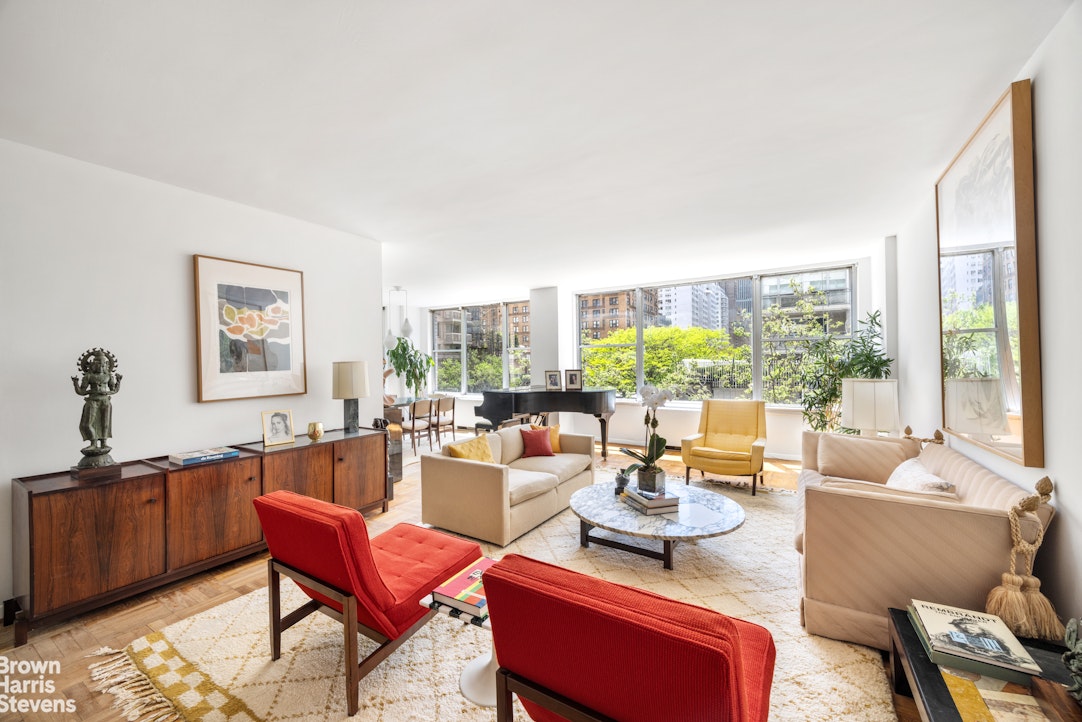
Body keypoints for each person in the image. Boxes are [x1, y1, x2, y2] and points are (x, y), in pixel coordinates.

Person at [72, 348, 122, 455]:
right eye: (98, 364)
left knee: (105, 423)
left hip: (105, 401)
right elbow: (81, 391)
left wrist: (118, 382)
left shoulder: (108, 376)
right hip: (92, 401)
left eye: (103, 365)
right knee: (86, 424)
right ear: (92, 365)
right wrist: (75, 383)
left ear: (106, 365)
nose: (100, 367)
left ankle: (104, 443)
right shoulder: (88, 376)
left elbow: (114, 390)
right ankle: (93, 443)